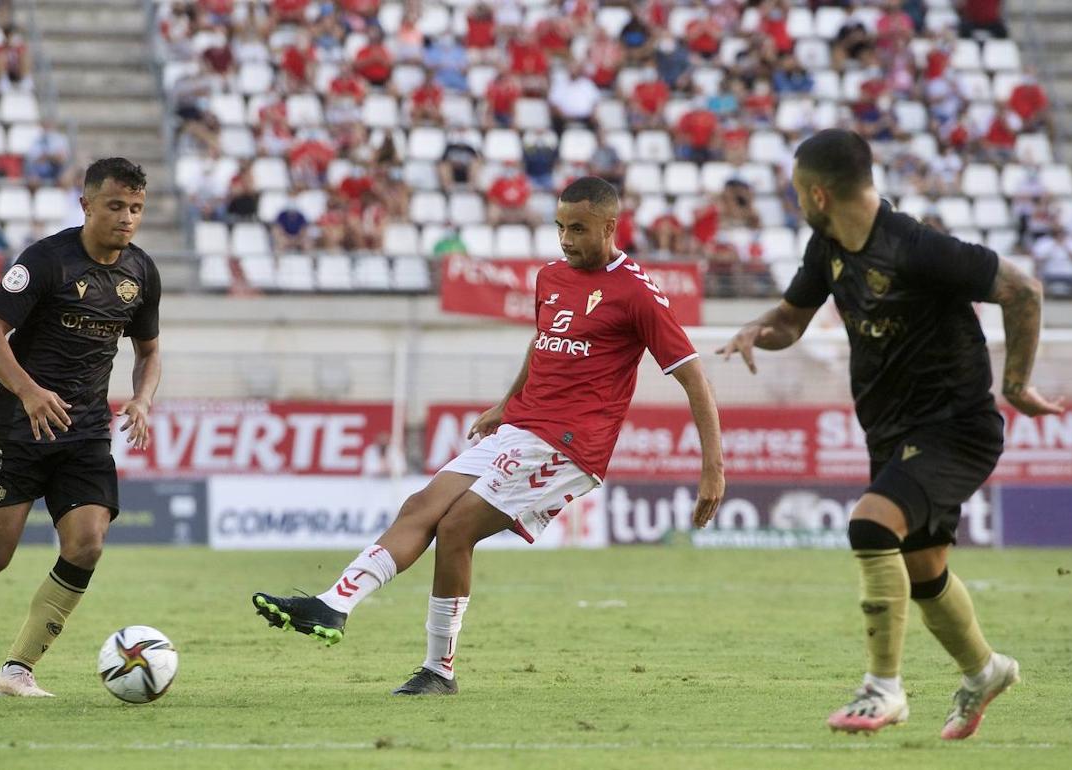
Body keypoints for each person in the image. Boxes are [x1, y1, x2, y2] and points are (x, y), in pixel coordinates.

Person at [251, 176, 725, 695]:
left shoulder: (637, 291)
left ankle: (439, 670)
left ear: (610, 227)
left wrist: (713, 469)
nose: (566, 240)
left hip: (567, 445)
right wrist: (505, 404)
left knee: (456, 529)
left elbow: (692, 376)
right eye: (560, 227)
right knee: (419, 505)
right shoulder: (551, 277)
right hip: (521, 426)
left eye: (579, 229)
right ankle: (334, 604)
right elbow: (543, 343)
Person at [718, 129, 1060, 739]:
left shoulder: (917, 247)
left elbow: (1023, 290)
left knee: (871, 524)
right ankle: (985, 671)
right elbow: (792, 322)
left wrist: (1015, 385)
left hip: (955, 426)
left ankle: (883, 689)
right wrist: (755, 331)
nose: (795, 200)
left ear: (818, 193)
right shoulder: (826, 245)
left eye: (797, 189)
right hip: (892, 429)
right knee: (924, 570)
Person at [0, 158, 162, 698]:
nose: (126, 217)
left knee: (87, 544)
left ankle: (16, 670)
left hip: (84, 431)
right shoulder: (45, 261)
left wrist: (143, 398)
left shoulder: (142, 272)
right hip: (18, 426)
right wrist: (30, 391)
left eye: (135, 208)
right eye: (115, 206)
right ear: (86, 205)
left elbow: (149, 349)